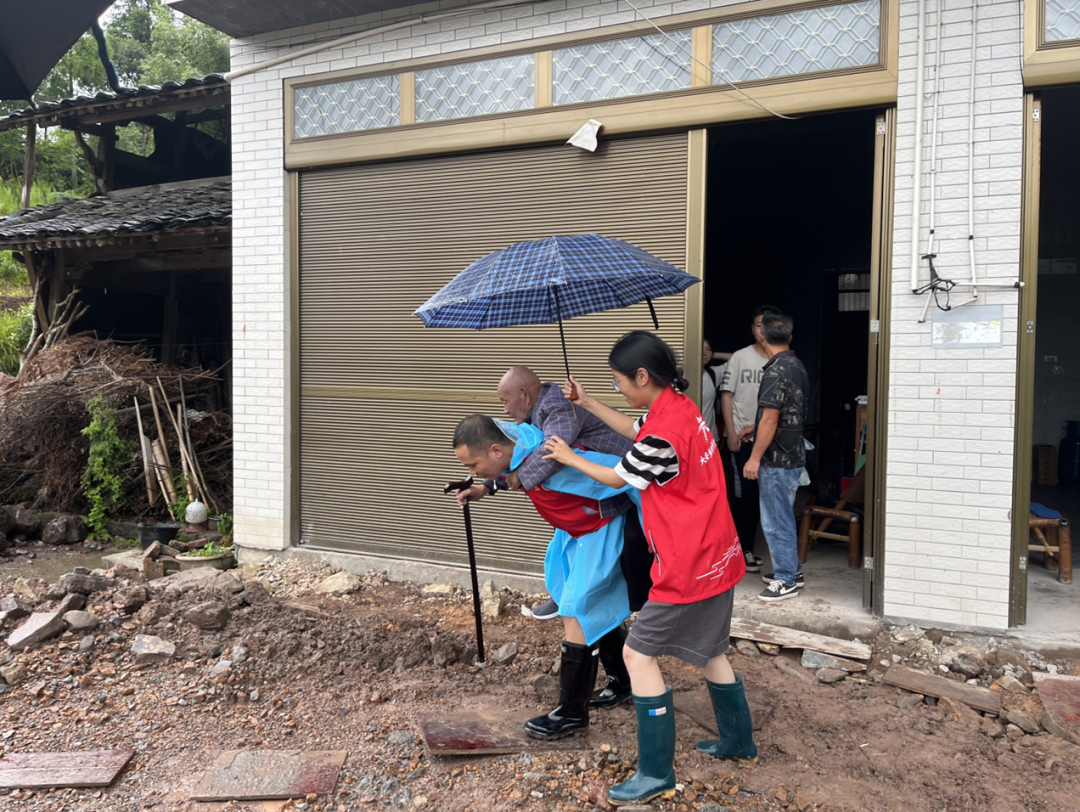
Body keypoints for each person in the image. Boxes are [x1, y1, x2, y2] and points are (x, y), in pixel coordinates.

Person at [543, 331, 757, 806]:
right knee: (712, 651)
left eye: (618, 381)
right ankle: (739, 742)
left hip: (688, 562)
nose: (618, 388)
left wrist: (569, 456)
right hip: (719, 553)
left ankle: (656, 772)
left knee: (638, 657)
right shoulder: (680, 408)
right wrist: (589, 402)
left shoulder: (664, 433)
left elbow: (619, 476)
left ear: (642, 376)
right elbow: (633, 430)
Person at [452, 415, 648, 738]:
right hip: (575, 530)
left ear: (496, 450)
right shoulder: (517, 441)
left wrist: (654, 535)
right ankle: (623, 683)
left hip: (601, 529)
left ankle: (571, 713)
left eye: (473, 465)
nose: (469, 472)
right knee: (570, 593)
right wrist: (484, 487)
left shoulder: (553, 458)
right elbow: (511, 473)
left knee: (576, 610)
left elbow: (627, 475)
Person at [742, 313, 809, 602]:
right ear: (790, 337)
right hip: (793, 455)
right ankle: (792, 570)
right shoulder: (797, 366)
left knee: (775, 519)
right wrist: (753, 427)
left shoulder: (774, 370)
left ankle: (785, 580)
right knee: (783, 514)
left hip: (775, 460)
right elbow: (786, 412)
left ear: (762, 336)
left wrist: (754, 458)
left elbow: (771, 418)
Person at [720, 305, 783, 574]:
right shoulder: (740, 358)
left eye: (768, 324)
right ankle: (742, 548)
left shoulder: (782, 360)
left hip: (772, 440)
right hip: (742, 442)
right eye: (758, 324)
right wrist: (731, 434)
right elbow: (726, 395)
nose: (762, 329)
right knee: (742, 497)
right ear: (753, 329)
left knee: (767, 497)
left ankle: (758, 548)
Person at [701, 338, 731, 445]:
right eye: (700, 348)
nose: (704, 352)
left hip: (710, 438)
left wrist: (713, 354)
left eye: (708, 349)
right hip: (687, 438)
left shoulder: (713, 374)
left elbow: (737, 358)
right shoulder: (681, 377)